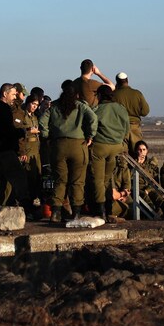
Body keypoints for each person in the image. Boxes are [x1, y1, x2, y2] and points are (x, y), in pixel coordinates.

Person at [39, 80, 98, 223]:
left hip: (58, 146)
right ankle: (76, 213)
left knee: (60, 180)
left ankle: (56, 213)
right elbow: (93, 118)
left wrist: (47, 136)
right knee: (77, 182)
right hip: (79, 145)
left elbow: (42, 122)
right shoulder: (80, 106)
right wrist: (90, 135)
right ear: (76, 93)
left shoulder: (54, 106)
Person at [0, 83, 29, 212]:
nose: (15, 97)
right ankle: (26, 206)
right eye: (13, 94)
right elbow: (5, 131)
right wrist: (20, 132)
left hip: (0, 150)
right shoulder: (2, 110)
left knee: (2, 181)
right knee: (19, 177)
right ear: (5, 94)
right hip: (4, 150)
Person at [89, 86, 130, 218]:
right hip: (117, 147)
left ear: (100, 95)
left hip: (100, 147)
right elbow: (126, 128)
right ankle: (109, 208)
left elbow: (91, 126)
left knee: (98, 180)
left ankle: (100, 209)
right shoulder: (121, 109)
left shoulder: (97, 109)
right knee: (107, 179)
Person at [130, 140, 164, 217]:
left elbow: (155, 180)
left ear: (147, 151)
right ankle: (155, 212)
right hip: (137, 188)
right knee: (143, 196)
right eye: (139, 150)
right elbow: (128, 176)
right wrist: (136, 164)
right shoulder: (131, 163)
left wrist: (148, 189)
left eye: (144, 150)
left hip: (150, 187)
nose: (142, 152)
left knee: (157, 196)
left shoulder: (151, 164)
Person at [112, 72, 150, 146]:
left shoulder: (114, 95)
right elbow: (145, 112)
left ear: (117, 81)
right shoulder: (137, 94)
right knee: (137, 153)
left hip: (120, 129)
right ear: (127, 81)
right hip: (134, 127)